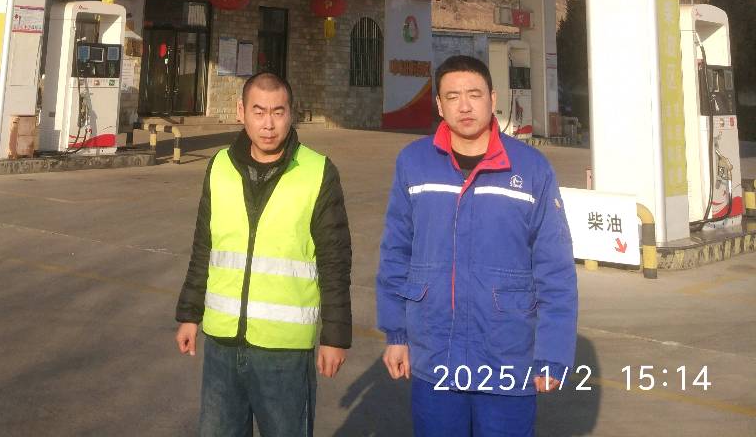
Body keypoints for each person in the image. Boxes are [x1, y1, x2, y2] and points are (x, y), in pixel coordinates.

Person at [377, 54, 577, 437]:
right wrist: (396, 335)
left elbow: (554, 268)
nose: (464, 106)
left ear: (493, 98)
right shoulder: (414, 163)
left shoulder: (531, 169)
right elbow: (396, 252)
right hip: (434, 352)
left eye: (474, 94)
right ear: (439, 105)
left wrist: (552, 353)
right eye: (452, 97)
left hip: (507, 355)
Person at [175, 70, 353, 437]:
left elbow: (335, 261)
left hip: (285, 352)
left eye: (277, 112)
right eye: (258, 112)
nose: (268, 124)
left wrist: (335, 336)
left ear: (292, 113)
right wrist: (189, 315)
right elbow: (204, 246)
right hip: (222, 345)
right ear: (241, 111)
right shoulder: (219, 167)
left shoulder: (318, 172)